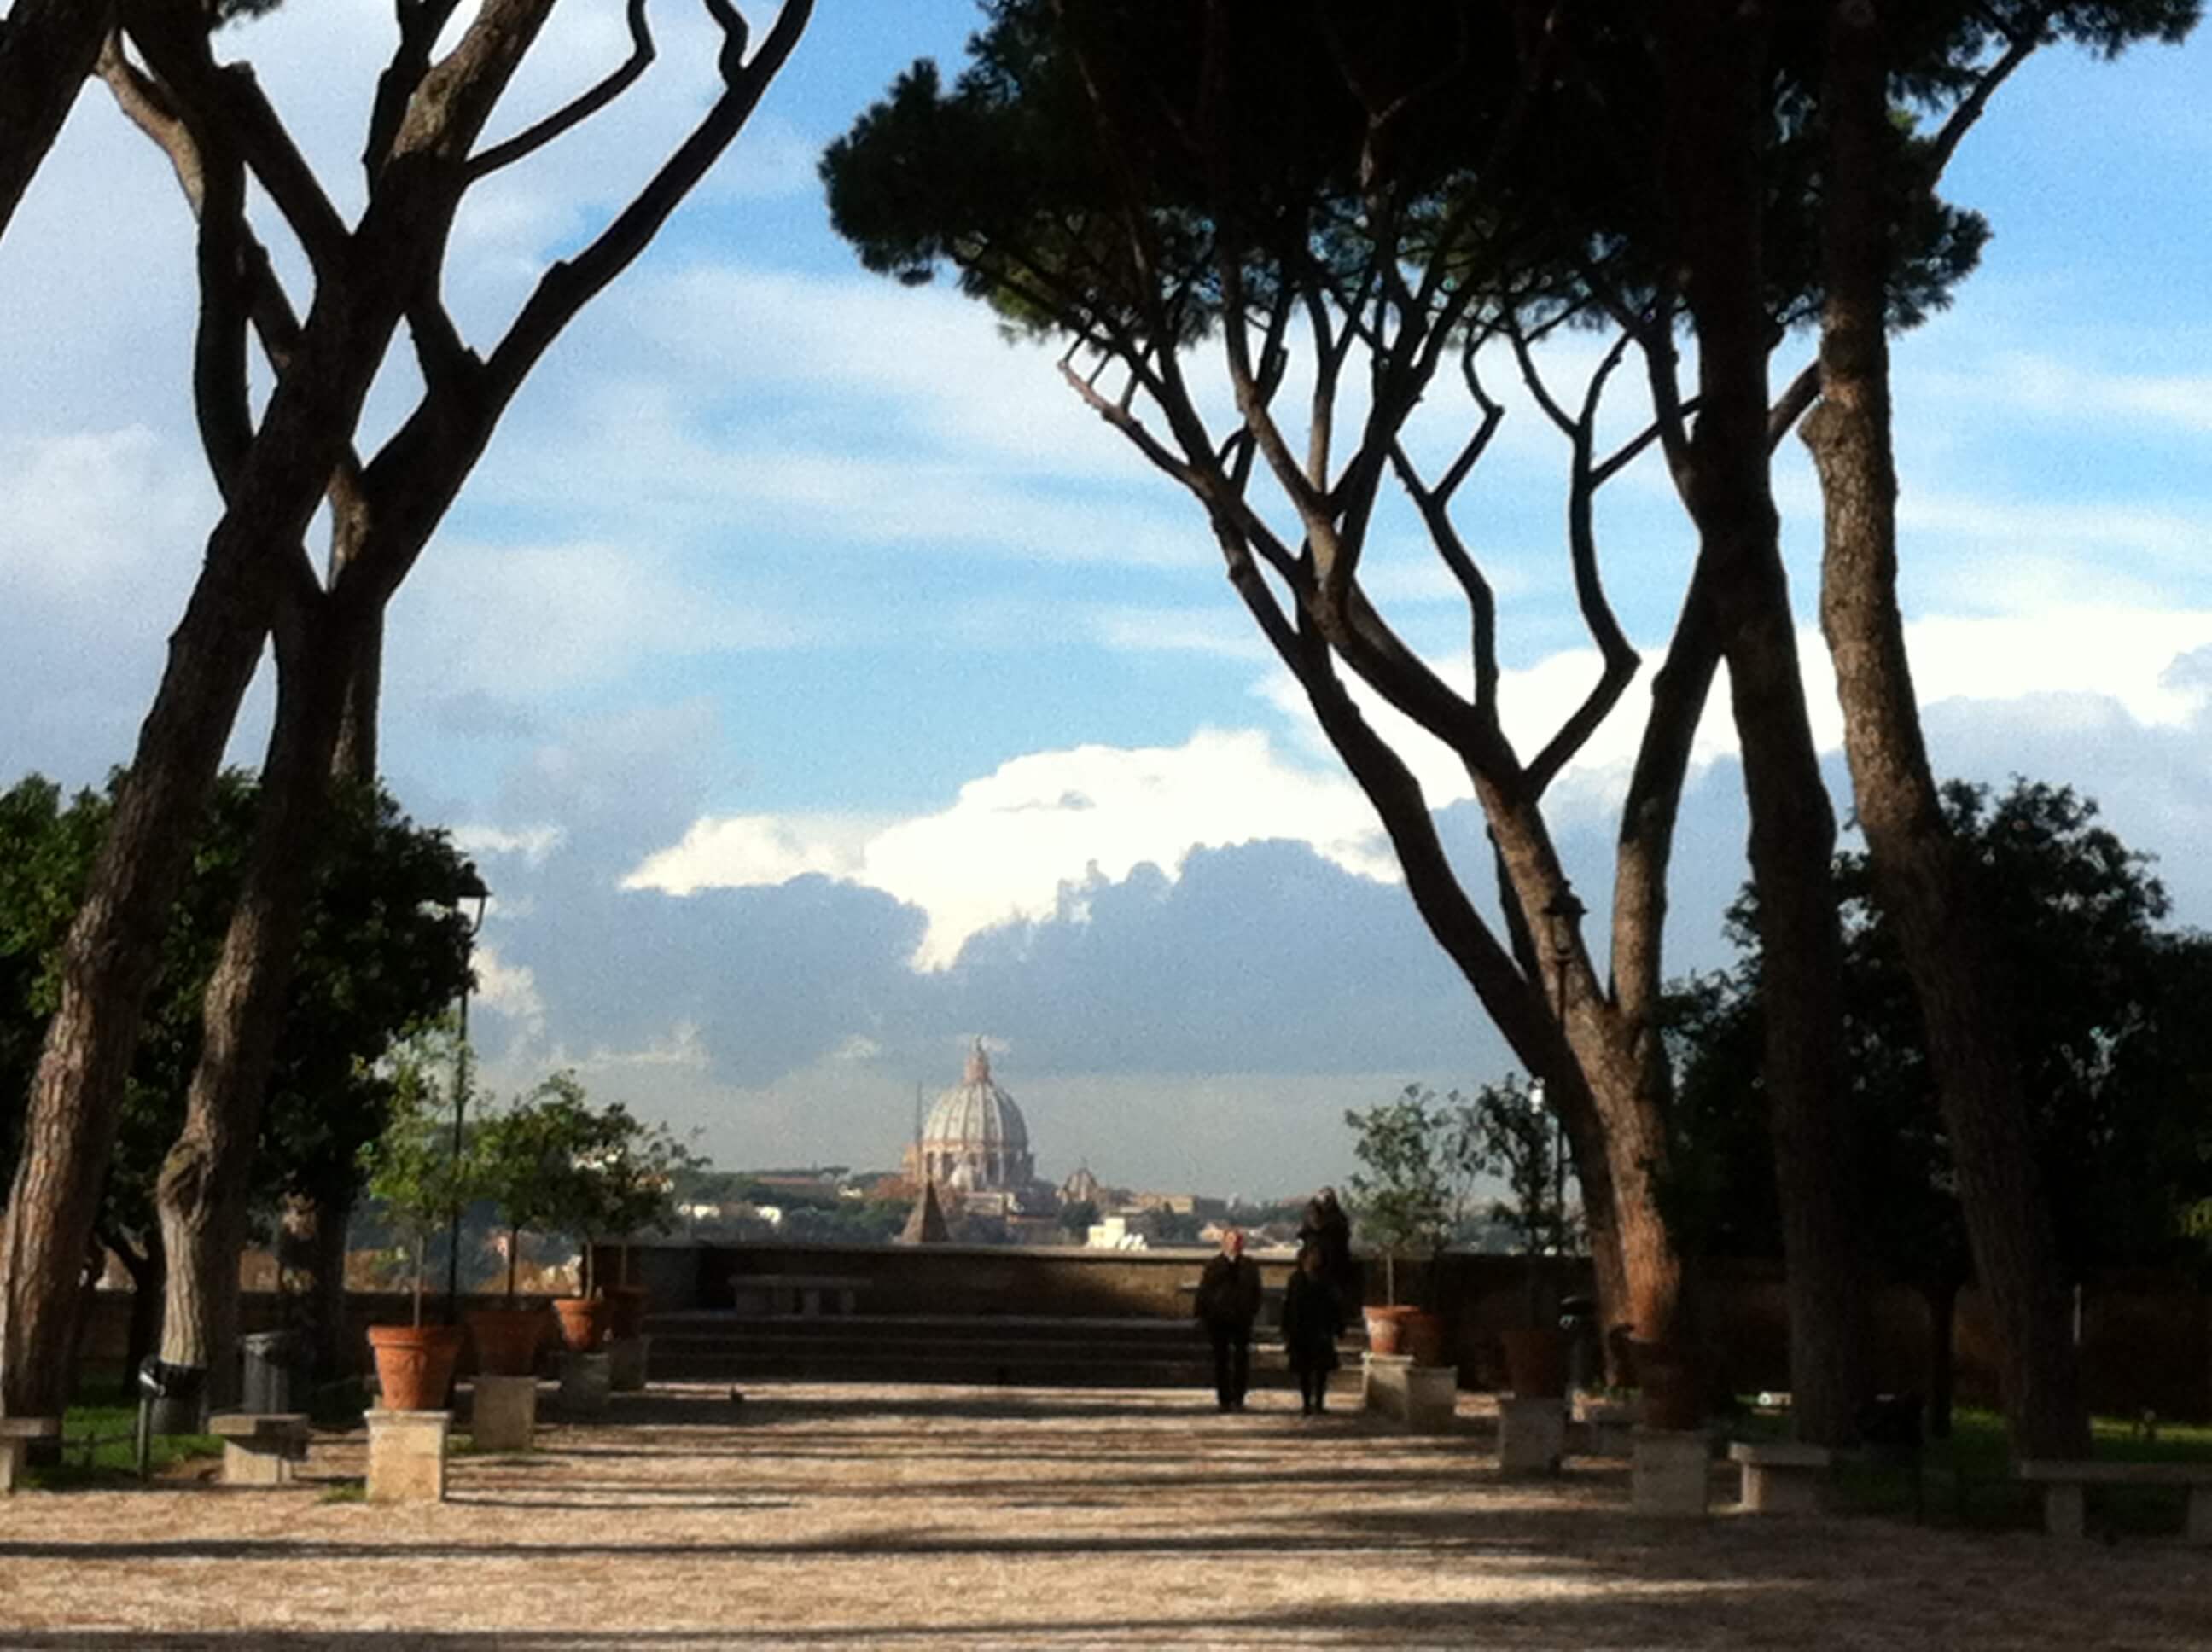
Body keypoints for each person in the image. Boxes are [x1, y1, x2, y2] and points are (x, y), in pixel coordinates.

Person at [1194, 1226, 1262, 1411]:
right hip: (1219, 1318)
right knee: (1221, 1360)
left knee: (1241, 1360)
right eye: (1231, 1240)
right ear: (1223, 1243)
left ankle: (1238, 1397)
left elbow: (1256, 1291)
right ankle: (1224, 1399)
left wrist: (1252, 1310)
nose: (1234, 1244)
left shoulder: (1249, 1266)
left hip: (1241, 1318)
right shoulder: (1214, 1266)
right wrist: (1203, 1315)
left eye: (1237, 1241)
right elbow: (1205, 1291)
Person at [1280, 1242, 1344, 1416]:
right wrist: (1286, 1329)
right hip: (1301, 1330)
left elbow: (1335, 1305)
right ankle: (1306, 1403)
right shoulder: (1296, 1279)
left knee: (1321, 1370)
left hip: (1321, 1330)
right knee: (1304, 1370)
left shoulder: (1327, 1280)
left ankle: (1319, 1402)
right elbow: (1289, 1306)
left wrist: (1337, 1327)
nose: (1314, 1260)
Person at [1299, 1186, 1357, 1302]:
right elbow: (1315, 1226)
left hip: (1334, 1266)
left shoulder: (1337, 1219)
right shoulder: (1317, 1217)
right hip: (1319, 1266)